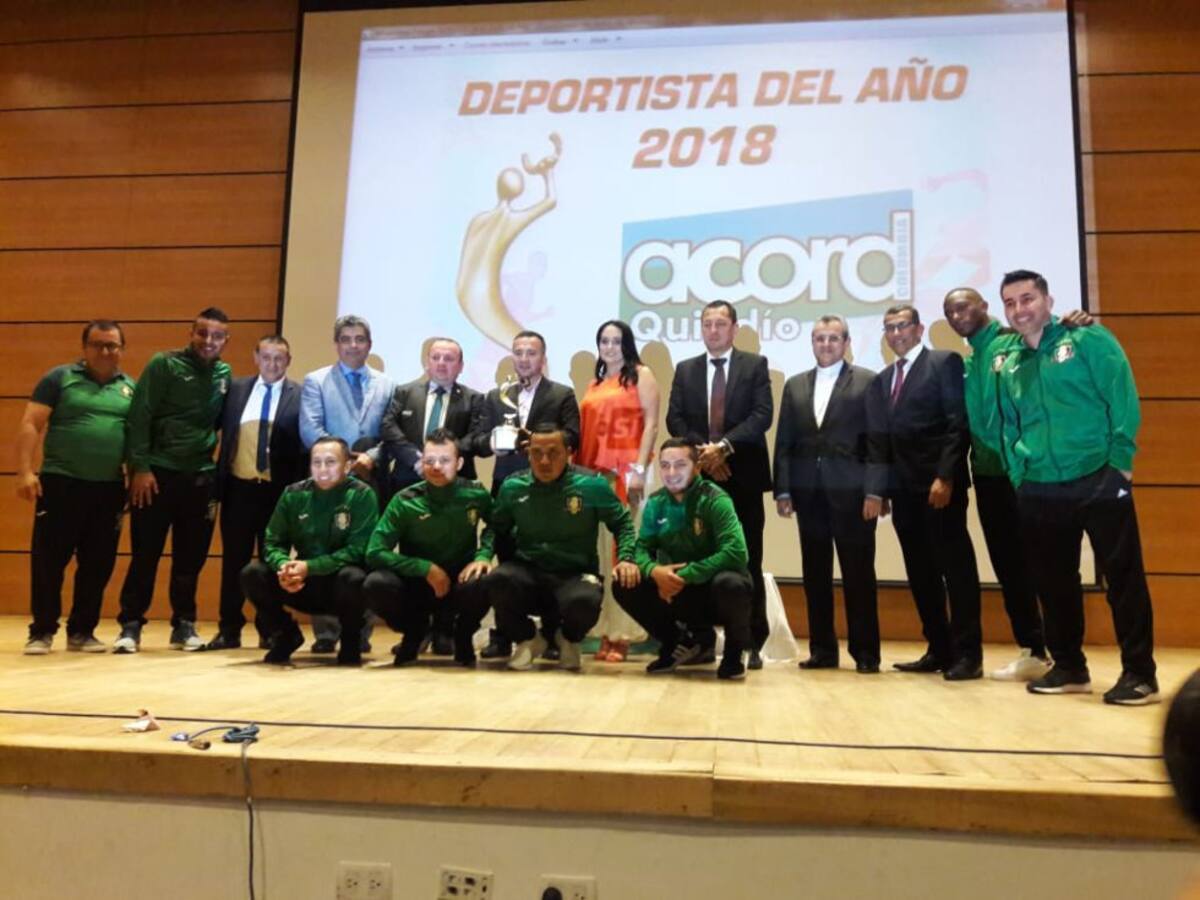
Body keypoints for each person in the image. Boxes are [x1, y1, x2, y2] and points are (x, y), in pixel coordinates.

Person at [996, 269, 1159, 705]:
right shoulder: (1010, 362)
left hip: (1098, 477)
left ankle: (1140, 675)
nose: (1019, 309)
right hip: (1039, 486)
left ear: (1047, 301)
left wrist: (1120, 464)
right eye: (1010, 303)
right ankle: (1069, 668)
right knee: (1054, 584)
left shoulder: (1088, 339)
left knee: (1123, 579)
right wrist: (1019, 474)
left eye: (1027, 299)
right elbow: (1008, 424)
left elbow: (1122, 396)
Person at [864, 303, 983, 680]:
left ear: (918, 329)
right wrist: (879, 489)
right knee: (920, 572)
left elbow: (956, 423)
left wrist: (945, 476)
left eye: (902, 326)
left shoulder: (943, 362)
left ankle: (968, 654)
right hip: (902, 492)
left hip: (938, 488)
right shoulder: (884, 379)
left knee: (956, 570)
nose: (896, 333)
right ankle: (939, 648)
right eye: (889, 327)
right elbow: (880, 440)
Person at [942, 287, 1052, 681]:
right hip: (987, 476)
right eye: (950, 312)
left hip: (1021, 473)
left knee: (1038, 563)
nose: (957, 316)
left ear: (984, 307)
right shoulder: (970, 360)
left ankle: (1059, 652)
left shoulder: (1012, 343)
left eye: (963, 308)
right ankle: (1033, 649)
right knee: (1008, 566)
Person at [113, 308, 233, 653]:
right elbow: (140, 416)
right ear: (190, 333)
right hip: (156, 475)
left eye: (216, 336)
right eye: (202, 333)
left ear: (226, 340)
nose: (208, 341)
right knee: (145, 554)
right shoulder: (163, 364)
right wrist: (140, 467)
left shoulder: (224, 374)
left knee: (190, 558)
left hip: (200, 478)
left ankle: (184, 624)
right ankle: (131, 625)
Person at [666, 300, 773, 668]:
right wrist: (706, 454)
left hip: (743, 477)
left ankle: (751, 642)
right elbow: (675, 418)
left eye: (720, 324)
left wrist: (724, 448)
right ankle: (700, 638)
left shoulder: (755, 365)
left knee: (748, 558)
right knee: (696, 557)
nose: (713, 330)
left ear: (734, 328)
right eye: (707, 324)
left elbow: (762, 415)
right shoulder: (686, 369)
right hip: (699, 478)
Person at [481, 424, 640, 671]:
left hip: (574, 574)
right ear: (528, 454)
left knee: (586, 601)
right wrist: (482, 556)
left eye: (553, 453)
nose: (544, 461)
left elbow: (622, 523)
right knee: (495, 580)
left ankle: (568, 639)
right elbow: (495, 527)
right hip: (529, 571)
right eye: (537, 453)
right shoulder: (513, 486)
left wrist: (627, 558)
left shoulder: (592, 485)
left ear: (568, 453)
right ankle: (529, 639)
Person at [18, 320, 135, 654]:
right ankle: (41, 632)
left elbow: (137, 439)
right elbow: (31, 423)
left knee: (98, 564)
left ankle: (82, 631)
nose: (105, 351)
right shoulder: (60, 378)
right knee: (49, 562)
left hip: (109, 488)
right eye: (98, 344)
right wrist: (25, 472)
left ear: (121, 349)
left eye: (112, 345)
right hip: (61, 484)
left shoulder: (131, 388)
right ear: (84, 348)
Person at [774, 315, 881, 673]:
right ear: (812, 342)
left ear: (846, 343)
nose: (826, 344)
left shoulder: (867, 381)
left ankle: (866, 653)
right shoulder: (795, 385)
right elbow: (784, 442)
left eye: (833, 338)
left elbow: (878, 442)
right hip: (809, 496)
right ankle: (822, 650)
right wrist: (783, 489)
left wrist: (875, 491)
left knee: (858, 575)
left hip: (854, 495)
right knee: (815, 575)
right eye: (820, 338)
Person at [471, 330, 581, 658]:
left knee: (549, 559)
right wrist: (493, 441)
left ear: (543, 359)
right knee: (504, 557)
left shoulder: (561, 394)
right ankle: (504, 634)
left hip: (548, 487)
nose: (524, 358)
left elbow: (573, 436)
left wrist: (537, 440)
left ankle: (550, 633)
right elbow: (477, 440)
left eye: (531, 353)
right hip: (505, 484)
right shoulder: (495, 396)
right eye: (518, 352)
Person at [613, 439, 753, 680]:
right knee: (623, 583)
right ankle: (678, 643)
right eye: (665, 466)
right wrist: (654, 571)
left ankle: (735, 653)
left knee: (732, 584)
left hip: (711, 588)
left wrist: (685, 575)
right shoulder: (656, 502)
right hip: (675, 589)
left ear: (697, 467)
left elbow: (736, 552)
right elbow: (641, 549)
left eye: (680, 465)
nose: (671, 473)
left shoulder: (715, 499)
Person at [379, 337, 482, 654]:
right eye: (436, 357)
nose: (442, 363)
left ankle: (445, 630)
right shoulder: (405, 392)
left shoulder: (473, 399)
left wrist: (444, 459)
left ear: (460, 366)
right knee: (413, 555)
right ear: (427, 361)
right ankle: (416, 628)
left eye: (449, 359)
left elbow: (477, 436)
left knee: (454, 557)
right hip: (408, 480)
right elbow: (388, 427)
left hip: (455, 488)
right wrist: (417, 460)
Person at [204, 335, 305, 651]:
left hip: (277, 493)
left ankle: (270, 628)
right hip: (239, 489)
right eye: (267, 357)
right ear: (256, 358)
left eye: (279, 358)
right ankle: (229, 629)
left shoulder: (301, 396)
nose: (272, 364)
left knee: (270, 564)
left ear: (288, 361)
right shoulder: (235, 390)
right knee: (233, 562)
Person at [299, 314, 393, 654]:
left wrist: (372, 457)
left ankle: (359, 631)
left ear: (369, 344)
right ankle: (326, 633)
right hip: (327, 480)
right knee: (321, 550)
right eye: (346, 339)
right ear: (336, 344)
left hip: (369, 480)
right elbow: (311, 429)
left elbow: (391, 433)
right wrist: (341, 463)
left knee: (365, 557)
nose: (353, 345)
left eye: (360, 339)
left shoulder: (387, 384)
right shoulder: (316, 380)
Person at [240, 435, 377, 666]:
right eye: (316, 462)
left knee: (354, 577)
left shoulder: (362, 495)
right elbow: (272, 542)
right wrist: (284, 567)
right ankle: (286, 635)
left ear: (346, 466)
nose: (322, 469)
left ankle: (351, 641)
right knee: (252, 574)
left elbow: (358, 550)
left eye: (330, 462)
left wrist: (309, 567)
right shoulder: (293, 494)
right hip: (302, 583)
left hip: (340, 585)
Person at [363, 429, 494, 667]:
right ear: (422, 463)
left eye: (445, 460)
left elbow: (497, 526)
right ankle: (414, 632)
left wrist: (483, 555)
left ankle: (462, 637)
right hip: (416, 583)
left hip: (459, 582)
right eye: (429, 460)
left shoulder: (475, 493)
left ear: (459, 463)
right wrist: (424, 568)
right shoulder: (404, 500)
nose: (436, 467)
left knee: (484, 581)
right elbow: (374, 551)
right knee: (376, 583)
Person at [576, 319, 659, 662]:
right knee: (600, 554)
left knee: (623, 553)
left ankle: (624, 634)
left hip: (628, 476)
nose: (609, 347)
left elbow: (651, 424)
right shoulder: (594, 383)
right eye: (604, 341)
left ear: (627, 344)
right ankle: (605, 631)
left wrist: (638, 470)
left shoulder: (642, 374)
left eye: (616, 341)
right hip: (595, 477)